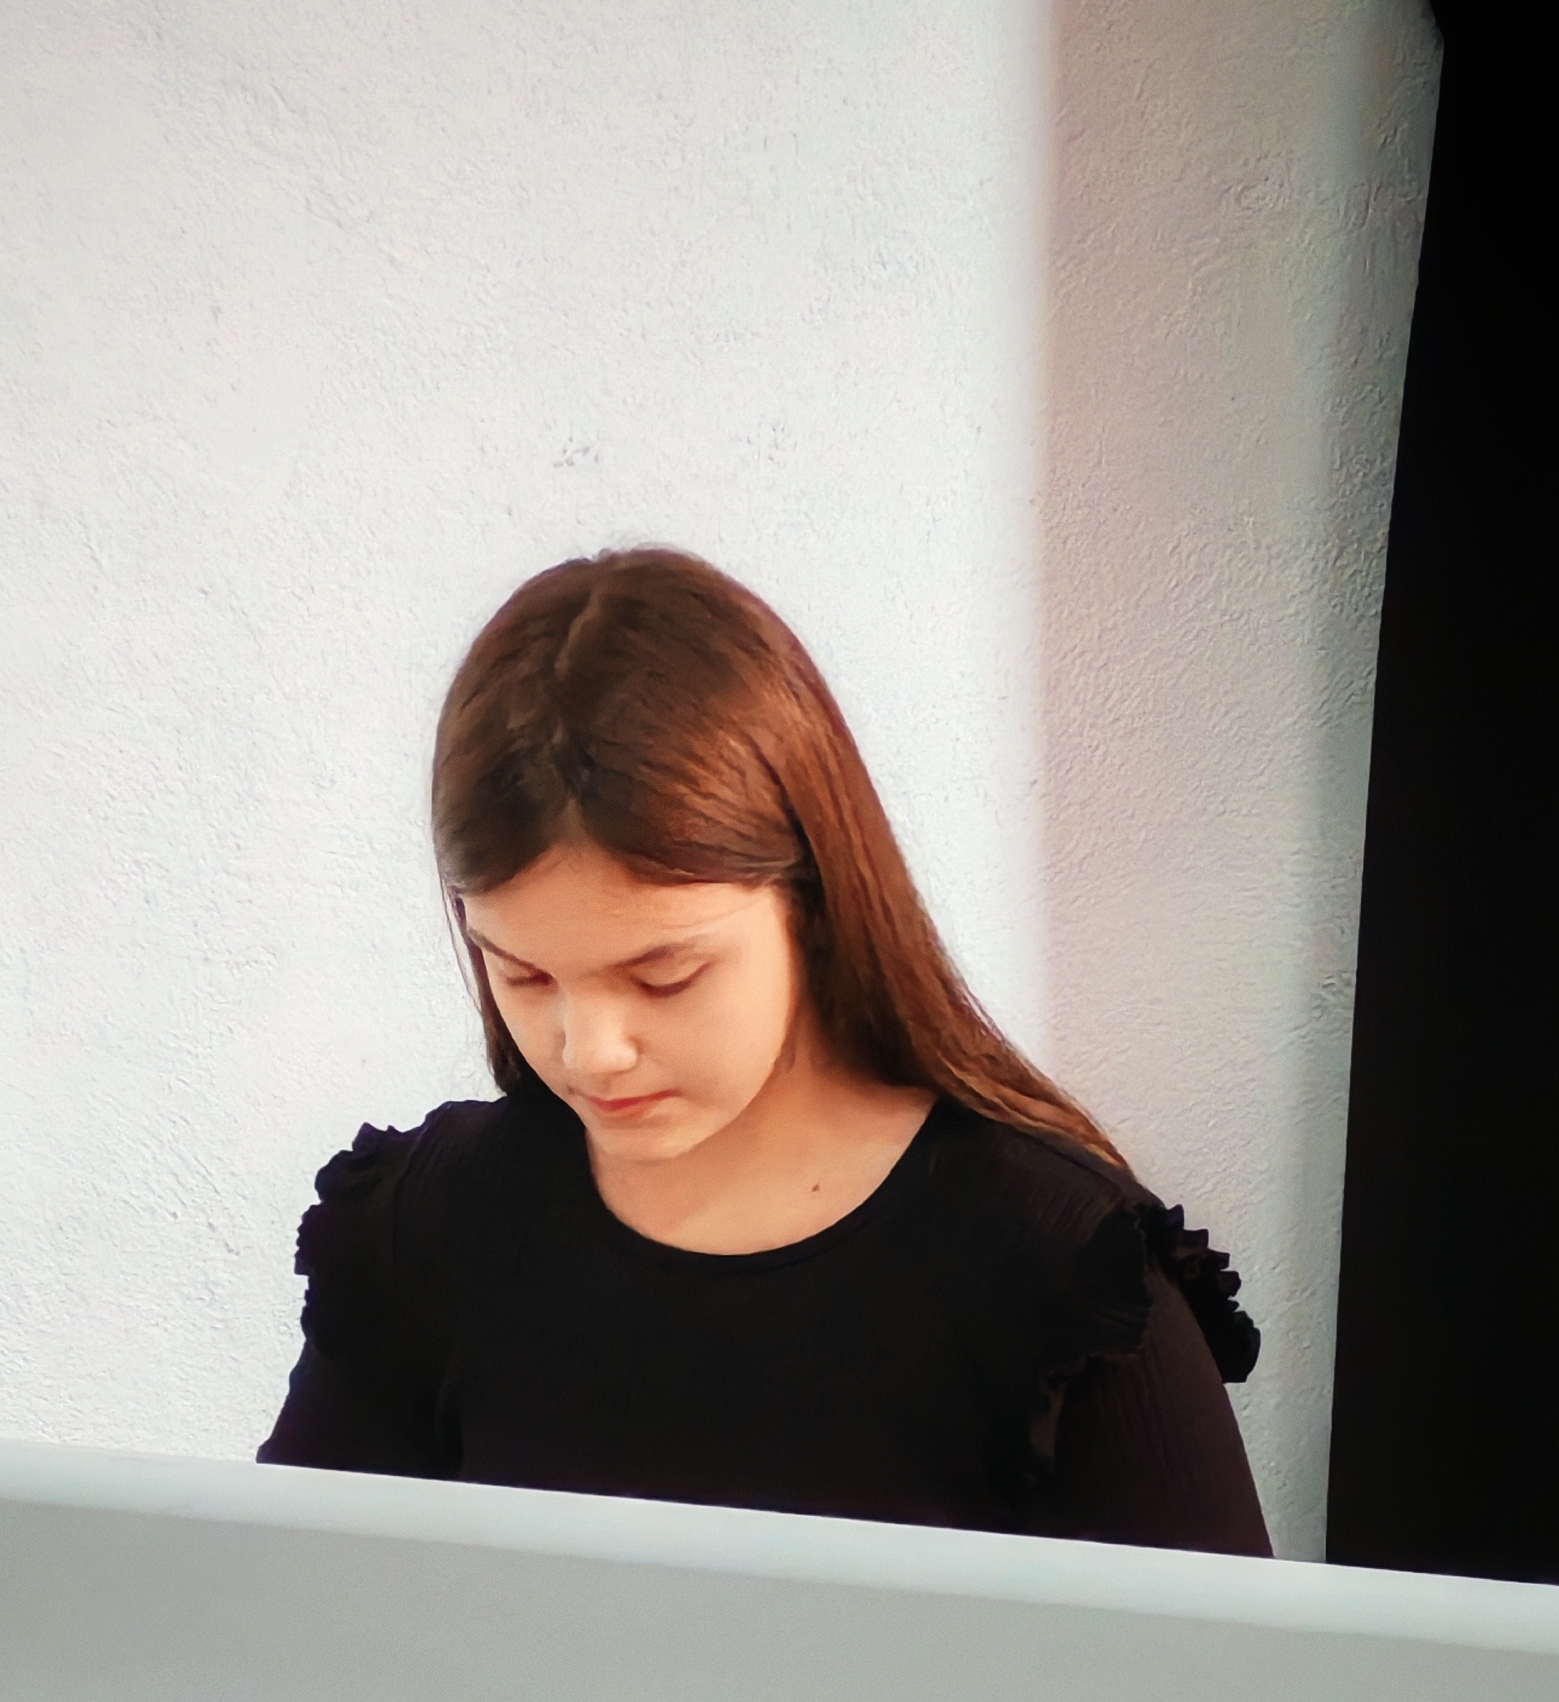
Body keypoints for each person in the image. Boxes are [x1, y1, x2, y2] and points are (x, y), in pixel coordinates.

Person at [259, 549, 1270, 1555]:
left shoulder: (1061, 1273)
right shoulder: (429, 1229)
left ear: (815, 905)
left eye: (665, 974)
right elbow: (276, 1615)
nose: (591, 1050)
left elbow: (1205, 1660)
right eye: (522, 975)